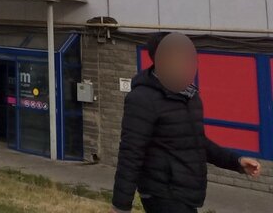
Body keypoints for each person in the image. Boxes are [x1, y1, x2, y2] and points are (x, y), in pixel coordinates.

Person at [112, 32, 262, 213]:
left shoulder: (189, 96)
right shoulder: (142, 98)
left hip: (187, 192)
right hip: (162, 193)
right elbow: (130, 153)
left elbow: (198, 142)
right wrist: (121, 205)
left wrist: (237, 162)